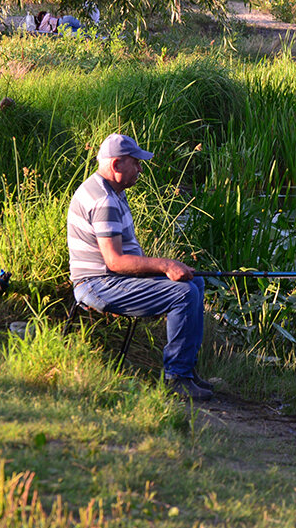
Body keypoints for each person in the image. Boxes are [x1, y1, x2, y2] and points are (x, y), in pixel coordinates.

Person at [67, 134, 214, 400]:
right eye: (136, 163)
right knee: (184, 293)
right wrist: (165, 265)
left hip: (111, 279)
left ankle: (187, 371)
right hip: (97, 285)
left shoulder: (111, 191)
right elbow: (115, 262)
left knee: (195, 283)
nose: (140, 169)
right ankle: (176, 379)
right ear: (116, 165)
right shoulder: (104, 200)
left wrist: (162, 269)